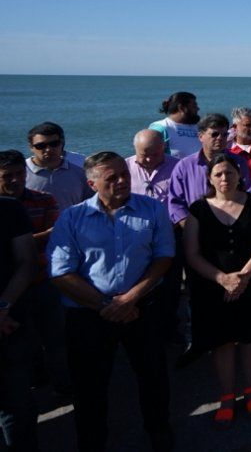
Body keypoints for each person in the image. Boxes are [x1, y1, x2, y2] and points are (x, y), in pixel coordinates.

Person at [47, 152, 175, 452]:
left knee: (153, 375)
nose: (122, 181)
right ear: (91, 183)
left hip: (141, 307)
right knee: (89, 385)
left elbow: (164, 257)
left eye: (124, 175)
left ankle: (158, 429)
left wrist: (131, 298)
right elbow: (60, 271)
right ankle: (92, 441)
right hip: (89, 314)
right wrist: (106, 304)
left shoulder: (152, 210)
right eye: (111, 178)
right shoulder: (72, 218)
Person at [184, 153, 251, 427]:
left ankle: (250, 388)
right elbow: (192, 254)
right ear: (210, 178)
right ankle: (227, 396)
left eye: (229, 172)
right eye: (218, 174)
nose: (225, 178)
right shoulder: (198, 210)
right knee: (223, 342)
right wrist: (223, 279)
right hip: (213, 286)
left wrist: (242, 277)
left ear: (239, 175)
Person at [166, 113, 251, 357]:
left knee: (234, 287)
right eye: (215, 134)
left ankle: (234, 335)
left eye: (225, 134)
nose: (220, 138)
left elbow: (246, 195)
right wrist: (188, 228)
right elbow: (175, 202)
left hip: (231, 239)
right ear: (200, 135)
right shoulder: (184, 166)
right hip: (197, 241)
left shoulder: (238, 164)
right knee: (199, 292)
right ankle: (201, 340)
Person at [0, 150, 70, 395]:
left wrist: (14, 242)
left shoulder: (44, 199)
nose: (15, 180)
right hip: (8, 291)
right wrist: (25, 241)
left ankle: (64, 384)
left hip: (42, 281)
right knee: (21, 344)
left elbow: (55, 233)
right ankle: (32, 381)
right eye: (7, 176)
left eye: (20, 173)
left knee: (55, 338)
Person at [0, 197, 38, 451]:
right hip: (6, 320)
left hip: (10, 320)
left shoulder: (10, 209)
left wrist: (3, 307)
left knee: (18, 404)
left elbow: (27, 262)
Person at [24, 121, 91, 211]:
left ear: (62, 144)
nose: (48, 149)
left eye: (54, 144)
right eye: (41, 146)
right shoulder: (21, 173)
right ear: (31, 147)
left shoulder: (80, 174)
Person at [126, 129, 180, 207]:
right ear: (135, 148)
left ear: (163, 147)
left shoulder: (179, 167)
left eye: (155, 155)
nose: (149, 159)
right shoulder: (124, 167)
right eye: (144, 155)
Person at [149, 91, 202, 158]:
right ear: (181, 108)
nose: (198, 109)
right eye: (194, 106)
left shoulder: (198, 128)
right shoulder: (160, 128)